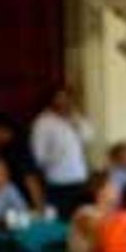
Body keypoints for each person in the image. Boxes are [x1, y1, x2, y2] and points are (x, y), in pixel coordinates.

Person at [30, 87, 92, 219]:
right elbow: (38, 156)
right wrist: (56, 155)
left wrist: (74, 120)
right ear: (52, 100)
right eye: (59, 98)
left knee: (80, 219)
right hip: (57, 181)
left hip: (79, 178)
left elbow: (89, 136)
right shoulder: (43, 122)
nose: (63, 102)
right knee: (60, 220)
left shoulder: (76, 117)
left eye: (66, 98)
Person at [67, 170, 126, 252]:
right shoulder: (85, 213)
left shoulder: (115, 214)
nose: (117, 189)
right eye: (112, 186)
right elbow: (101, 239)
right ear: (101, 191)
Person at [0, 113, 43, 210]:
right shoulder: (0, 148)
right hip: (6, 195)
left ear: (9, 131)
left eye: (0, 132)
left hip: (23, 196)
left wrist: (39, 205)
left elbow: (30, 178)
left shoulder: (20, 149)